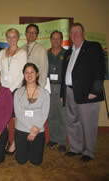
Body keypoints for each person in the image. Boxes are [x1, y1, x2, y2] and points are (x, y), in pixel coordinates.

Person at [60, 23, 105, 162]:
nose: (74, 34)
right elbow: (64, 74)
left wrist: (95, 90)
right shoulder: (68, 52)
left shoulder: (93, 47)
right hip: (69, 91)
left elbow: (100, 69)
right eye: (72, 32)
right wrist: (62, 94)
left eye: (77, 31)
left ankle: (89, 152)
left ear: (83, 33)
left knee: (88, 123)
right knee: (72, 121)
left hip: (88, 93)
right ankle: (75, 148)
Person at [0, 28, 27, 154]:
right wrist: (1, 88)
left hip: (16, 90)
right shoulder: (2, 52)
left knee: (16, 119)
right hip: (3, 90)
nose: (11, 39)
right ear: (6, 38)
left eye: (14, 36)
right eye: (9, 36)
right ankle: (5, 141)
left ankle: (15, 143)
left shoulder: (22, 53)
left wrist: (12, 89)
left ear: (18, 38)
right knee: (4, 118)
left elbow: (22, 73)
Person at [14, 63, 50, 165]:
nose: (29, 75)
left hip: (38, 129)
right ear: (23, 75)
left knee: (36, 162)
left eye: (32, 72)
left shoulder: (45, 93)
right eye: (26, 72)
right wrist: (31, 128)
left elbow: (45, 113)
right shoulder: (18, 93)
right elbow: (18, 113)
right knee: (21, 161)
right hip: (22, 129)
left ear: (37, 74)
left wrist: (36, 129)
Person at [47, 31, 67, 152]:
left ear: (61, 40)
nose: (56, 41)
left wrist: (64, 92)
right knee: (51, 114)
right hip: (49, 87)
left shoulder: (66, 53)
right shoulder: (46, 53)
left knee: (62, 115)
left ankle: (62, 141)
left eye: (58, 39)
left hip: (61, 87)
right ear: (50, 40)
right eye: (53, 38)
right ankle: (54, 138)